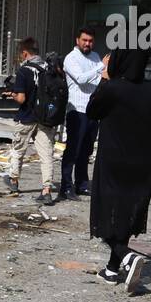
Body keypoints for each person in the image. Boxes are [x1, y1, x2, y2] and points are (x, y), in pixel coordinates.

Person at [86, 47, 151, 291]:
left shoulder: (113, 88)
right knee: (126, 217)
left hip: (114, 163)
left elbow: (92, 111)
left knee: (106, 216)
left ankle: (127, 256)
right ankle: (112, 270)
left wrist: (104, 81)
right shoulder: (150, 90)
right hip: (143, 165)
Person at [3, 37, 58, 205]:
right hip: (46, 118)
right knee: (46, 154)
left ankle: (13, 182)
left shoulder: (24, 70)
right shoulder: (49, 68)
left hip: (26, 117)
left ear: (25, 53)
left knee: (18, 150)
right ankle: (46, 190)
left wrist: (11, 94)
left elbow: (21, 98)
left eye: (21, 54)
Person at [60, 27, 102, 200]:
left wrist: (100, 70)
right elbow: (81, 79)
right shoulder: (71, 58)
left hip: (93, 110)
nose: (87, 43)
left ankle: (82, 184)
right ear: (77, 40)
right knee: (73, 150)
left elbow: (100, 80)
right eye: (84, 40)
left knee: (86, 150)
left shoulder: (95, 57)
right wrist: (101, 68)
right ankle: (66, 186)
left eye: (90, 41)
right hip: (76, 110)